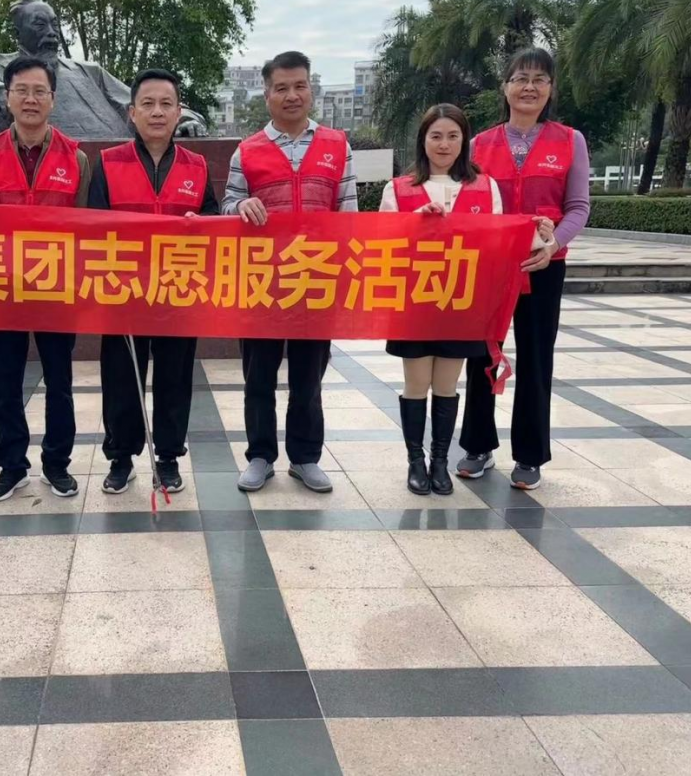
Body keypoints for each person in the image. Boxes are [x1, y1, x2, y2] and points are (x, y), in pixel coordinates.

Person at [222, 51, 357, 494]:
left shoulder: (337, 145)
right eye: (281, 88)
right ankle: (260, 456)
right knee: (258, 376)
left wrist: (345, 274)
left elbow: (349, 214)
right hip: (261, 281)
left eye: (300, 86)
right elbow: (227, 206)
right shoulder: (248, 150)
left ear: (310, 89)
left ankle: (305, 457)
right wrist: (240, 205)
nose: (292, 95)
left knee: (308, 377)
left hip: (315, 280)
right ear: (267, 94)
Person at [457, 48, 591, 490]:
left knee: (536, 357)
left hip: (544, 266)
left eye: (539, 79)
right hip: (490, 268)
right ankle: (477, 446)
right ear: (506, 87)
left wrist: (553, 244)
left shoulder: (569, 140)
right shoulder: (480, 145)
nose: (529, 87)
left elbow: (578, 207)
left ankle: (530, 455)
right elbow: (469, 204)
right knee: (481, 354)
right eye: (520, 78)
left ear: (550, 88)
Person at [88, 68, 220, 494]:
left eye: (166, 104)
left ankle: (168, 457)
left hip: (178, 291)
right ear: (132, 113)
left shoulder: (197, 166)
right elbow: (93, 225)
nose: (157, 112)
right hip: (124, 292)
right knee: (121, 378)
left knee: (174, 378)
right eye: (148, 104)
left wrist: (201, 223)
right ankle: (121, 457)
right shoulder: (108, 163)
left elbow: (214, 220)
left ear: (179, 112)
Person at [0, 56, 92, 502]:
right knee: (6, 383)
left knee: (60, 383)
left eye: (40, 91)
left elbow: (88, 225)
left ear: (53, 99)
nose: (31, 99)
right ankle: (11, 466)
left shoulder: (76, 157)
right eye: (22, 90)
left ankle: (57, 464)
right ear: (8, 98)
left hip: (57, 288)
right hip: (2, 288)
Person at [380, 104, 514, 495]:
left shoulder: (485, 187)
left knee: (446, 384)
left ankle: (440, 461)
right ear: (423, 141)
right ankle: (415, 462)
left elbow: (499, 242)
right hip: (415, 302)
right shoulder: (399, 189)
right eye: (436, 136)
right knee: (416, 383)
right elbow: (382, 243)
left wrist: (534, 233)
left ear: (464, 141)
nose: (444, 144)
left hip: (461, 302)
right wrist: (414, 223)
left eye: (453, 136)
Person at [0, 0, 205, 140]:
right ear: (17, 33)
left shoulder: (88, 71)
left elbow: (141, 101)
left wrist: (185, 119)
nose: (51, 33)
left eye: (55, 24)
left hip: (118, 169)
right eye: (40, 25)